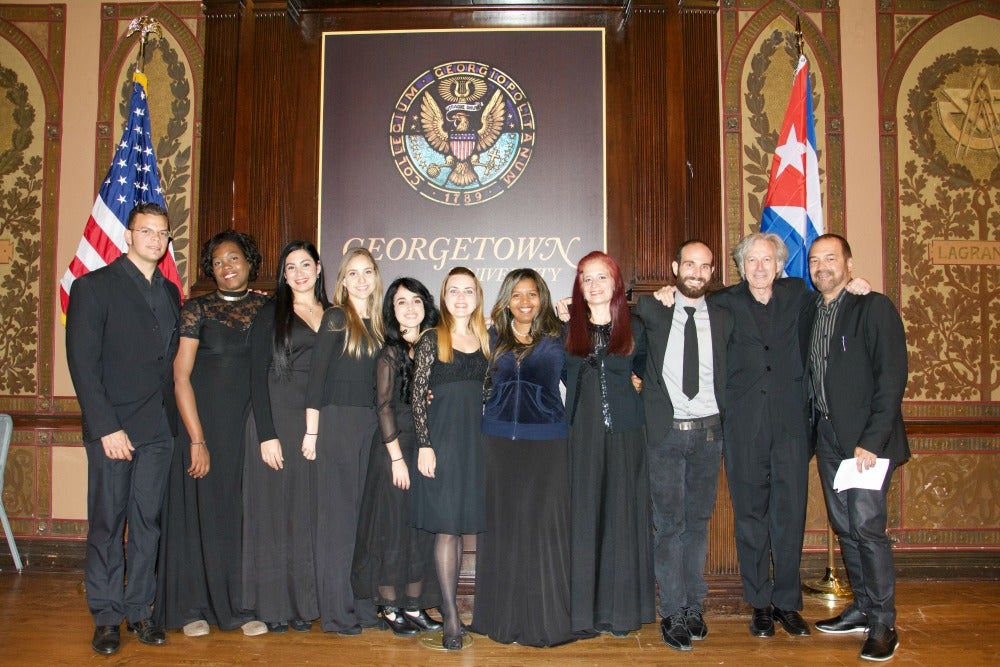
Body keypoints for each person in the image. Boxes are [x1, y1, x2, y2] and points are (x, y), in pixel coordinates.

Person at [66, 202, 180, 654]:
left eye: (161, 233)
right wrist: (106, 427)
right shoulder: (94, 287)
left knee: (148, 524)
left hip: (159, 430)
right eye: (146, 231)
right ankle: (108, 616)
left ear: (167, 240)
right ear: (128, 235)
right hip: (114, 429)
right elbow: (83, 365)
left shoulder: (171, 293)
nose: (154, 239)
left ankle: (140, 612)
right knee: (109, 525)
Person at [155, 230, 269, 637]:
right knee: (200, 514)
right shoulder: (196, 309)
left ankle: (240, 606)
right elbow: (180, 377)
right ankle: (192, 608)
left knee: (239, 515)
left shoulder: (266, 307)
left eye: (234, 258)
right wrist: (197, 440)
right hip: (202, 427)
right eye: (218, 262)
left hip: (248, 427)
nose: (227, 267)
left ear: (250, 262)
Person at [802, 234, 909, 662]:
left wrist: (872, 441)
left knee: (867, 528)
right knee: (845, 527)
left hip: (866, 442)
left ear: (848, 262)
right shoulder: (810, 311)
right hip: (827, 438)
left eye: (831, 258)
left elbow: (891, 378)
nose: (822, 266)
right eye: (814, 260)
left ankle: (884, 622)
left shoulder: (873, 307)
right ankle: (863, 607)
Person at [708, 232, 814, 638]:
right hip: (744, 428)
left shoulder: (798, 296)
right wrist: (665, 292)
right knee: (751, 518)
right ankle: (760, 605)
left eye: (766, 259)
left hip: (790, 427)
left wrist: (856, 288)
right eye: (751, 260)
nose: (758, 267)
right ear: (740, 266)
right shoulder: (724, 303)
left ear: (779, 264)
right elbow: (684, 309)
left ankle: (787, 603)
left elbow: (833, 299)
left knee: (789, 516)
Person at [471, 268, 578, 647]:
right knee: (503, 530)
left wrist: (630, 378)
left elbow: (584, 376)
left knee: (542, 531)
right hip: (498, 443)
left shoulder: (559, 337)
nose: (525, 302)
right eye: (516, 295)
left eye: (532, 294)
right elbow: (463, 376)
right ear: (506, 300)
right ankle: (502, 618)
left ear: (542, 298)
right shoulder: (490, 336)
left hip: (547, 443)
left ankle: (543, 622)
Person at [634, 240, 733, 652]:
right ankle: (672, 611)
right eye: (688, 264)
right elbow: (606, 316)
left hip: (710, 432)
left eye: (704, 266)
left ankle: (694, 606)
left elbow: (776, 295)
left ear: (712, 272)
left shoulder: (727, 314)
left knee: (697, 524)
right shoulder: (652, 308)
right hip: (665, 433)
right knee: (669, 525)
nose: (695, 272)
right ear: (674, 267)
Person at [564, 251, 654, 637]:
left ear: (616, 283)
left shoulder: (636, 327)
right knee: (584, 519)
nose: (595, 285)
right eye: (587, 279)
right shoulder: (566, 329)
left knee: (621, 518)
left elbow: (649, 373)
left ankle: (620, 614)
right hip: (580, 435)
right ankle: (583, 614)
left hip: (625, 435)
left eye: (602, 277)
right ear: (579, 288)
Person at [243, 240, 328, 633]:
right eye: (290, 266)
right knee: (274, 513)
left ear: (319, 267)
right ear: (283, 273)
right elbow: (255, 376)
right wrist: (266, 433)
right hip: (276, 420)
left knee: (306, 514)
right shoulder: (271, 313)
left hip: (316, 424)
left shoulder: (333, 313)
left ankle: (302, 604)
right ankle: (273, 606)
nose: (299, 273)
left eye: (305, 264)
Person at [351, 277, 443, 636]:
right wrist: (396, 459)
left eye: (416, 301)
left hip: (423, 448)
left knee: (418, 530)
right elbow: (384, 405)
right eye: (401, 301)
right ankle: (390, 607)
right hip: (394, 449)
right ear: (391, 309)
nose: (409, 308)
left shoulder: (432, 347)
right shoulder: (390, 351)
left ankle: (415, 605)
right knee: (390, 529)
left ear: (426, 307)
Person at [305, 247, 384, 634]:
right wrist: (311, 433)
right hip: (337, 425)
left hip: (372, 427)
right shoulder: (337, 318)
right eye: (352, 273)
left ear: (375, 276)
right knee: (337, 523)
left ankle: (363, 606)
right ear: (342, 280)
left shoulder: (382, 323)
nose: (361, 279)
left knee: (364, 522)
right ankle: (336, 613)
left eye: (367, 271)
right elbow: (316, 379)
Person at [412, 267, 490, 650]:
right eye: (454, 290)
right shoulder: (433, 338)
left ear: (478, 295)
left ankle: (453, 610)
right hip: (441, 444)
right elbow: (417, 395)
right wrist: (424, 445)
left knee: (460, 528)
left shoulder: (486, 339)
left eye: (468, 291)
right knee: (446, 527)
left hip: (475, 444)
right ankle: (451, 618)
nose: (461, 297)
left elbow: (490, 394)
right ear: (444, 296)